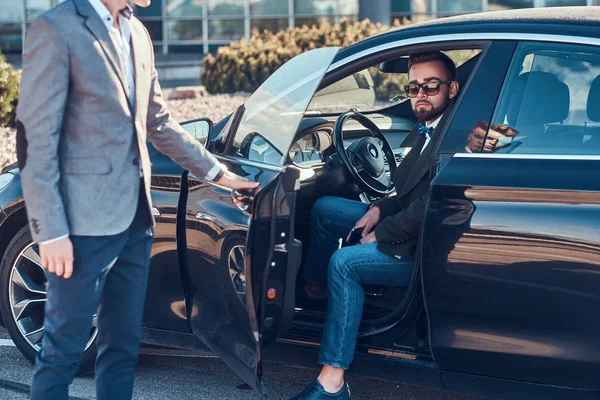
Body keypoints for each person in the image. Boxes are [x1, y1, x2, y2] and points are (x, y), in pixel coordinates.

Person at [15, 0, 258, 399]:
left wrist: (220, 174)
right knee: (62, 353)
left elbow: (159, 122)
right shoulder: (55, 28)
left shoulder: (138, 33)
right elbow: (35, 141)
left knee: (122, 349)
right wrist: (50, 231)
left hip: (137, 222)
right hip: (79, 229)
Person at [292, 51, 459, 400]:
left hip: (423, 249)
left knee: (344, 264)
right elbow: (410, 193)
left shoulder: (455, 137)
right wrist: (379, 209)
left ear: (452, 88)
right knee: (325, 209)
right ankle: (318, 293)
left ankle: (332, 381)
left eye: (431, 86)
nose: (420, 95)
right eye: (413, 87)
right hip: (406, 228)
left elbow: (429, 207)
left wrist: (379, 235)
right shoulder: (428, 127)